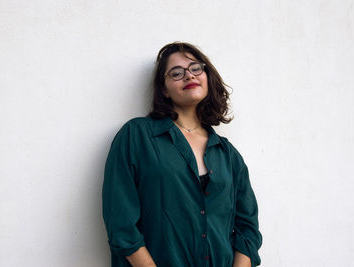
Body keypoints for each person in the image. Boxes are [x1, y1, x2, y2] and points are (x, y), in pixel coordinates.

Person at [102, 42, 262, 267]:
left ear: (207, 77)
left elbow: (247, 229)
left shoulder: (228, 155)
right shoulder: (137, 136)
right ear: (164, 89)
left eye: (196, 68)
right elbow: (121, 223)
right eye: (176, 73)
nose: (189, 76)